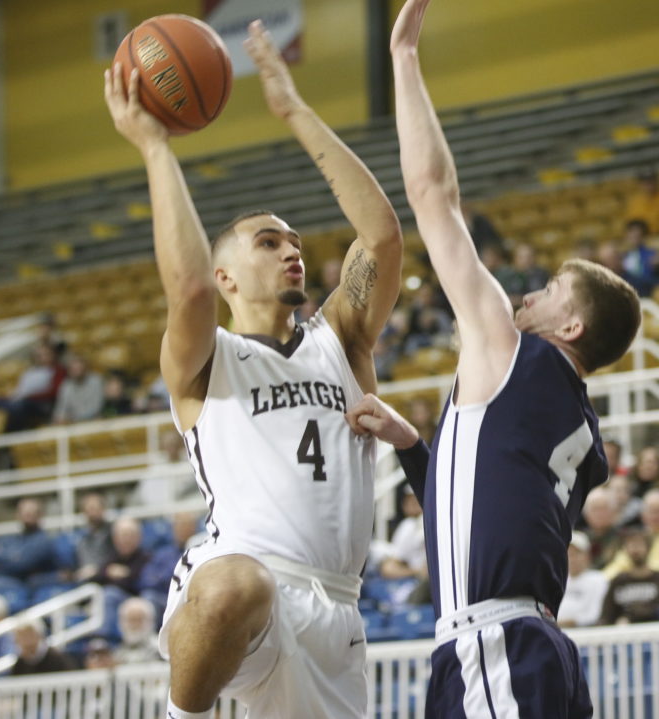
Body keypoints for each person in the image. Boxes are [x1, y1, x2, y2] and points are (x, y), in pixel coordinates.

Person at [104, 15, 403, 719]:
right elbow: (188, 290)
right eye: (268, 242)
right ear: (227, 277)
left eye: (294, 241)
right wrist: (154, 146)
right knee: (237, 583)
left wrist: (293, 108)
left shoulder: (342, 341)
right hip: (241, 580)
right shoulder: (209, 359)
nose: (291, 250)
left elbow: (383, 237)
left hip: (336, 609)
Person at [347, 3, 641, 715]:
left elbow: (434, 197)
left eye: (550, 290)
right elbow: (489, 504)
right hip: (519, 645)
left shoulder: (518, 357)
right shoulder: (564, 414)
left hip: (496, 645)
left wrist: (403, 58)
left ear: (571, 325)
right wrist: (415, 447)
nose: (527, 295)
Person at [602, 489, 659, 577]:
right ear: (643, 515)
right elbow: (620, 563)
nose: (656, 516)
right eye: (652, 511)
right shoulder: (638, 535)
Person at [599, 530, 659, 625]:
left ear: (649, 547)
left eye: (639, 544)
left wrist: (630, 618)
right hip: (622, 632)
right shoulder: (618, 581)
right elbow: (606, 615)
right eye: (630, 545)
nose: (635, 550)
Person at [557, 532, 609, 628]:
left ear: (587, 556)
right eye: (569, 554)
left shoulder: (598, 579)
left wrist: (567, 623)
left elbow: (595, 615)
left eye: (576, 554)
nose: (572, 559)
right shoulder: (558, 580)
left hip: (586, 631)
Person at [96, 517, 150, 596]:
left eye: (130, 535)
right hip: (108, 595)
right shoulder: (111, 557)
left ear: (139, 537)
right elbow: (97, 577)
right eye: (123, 535)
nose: (126, 540)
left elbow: (140, 583)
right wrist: (108, 572)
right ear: (115, 538)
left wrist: (127, 574)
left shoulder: (146, 558)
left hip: (135, 599)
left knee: (110, 594)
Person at [52, 354, 104, 424]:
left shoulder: (96, 380)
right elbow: (61, 409)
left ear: (85, 368)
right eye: (73, 369)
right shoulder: (66, 385)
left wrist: (75, 419)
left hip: (94, 421)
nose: (76, 372)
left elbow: (97, 407)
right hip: (73, 423)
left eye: (79, 368)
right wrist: (60, 417)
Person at [74, 492, 114, 583]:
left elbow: (116, 561)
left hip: (106, 579)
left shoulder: (113, 532)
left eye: (95, 508)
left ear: (103, 509)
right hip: (84, 581)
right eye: (89, 509)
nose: (92, 513)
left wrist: (97, 570)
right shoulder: (80, 537)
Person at [626, 168, 659, 235]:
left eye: (651, 181)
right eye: (645, 182)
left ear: (657, 181)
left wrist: (652, 229)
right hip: (641, 236)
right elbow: (632, 222)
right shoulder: (635, 201)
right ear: (640, 184)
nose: (648, 184)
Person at [11, 620, 76, 675]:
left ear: (38, 635)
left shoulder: (57, 659)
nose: (24, 641)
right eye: (20, 638)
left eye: (27, 635)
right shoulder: (20, 664)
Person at [581, 487, 623, 570]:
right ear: (586, 515)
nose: (599, 514)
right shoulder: (580, 538)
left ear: (614, 512)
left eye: (603, 509)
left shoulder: (623, 538)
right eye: (595, 509)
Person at [114, 597, 162, 664]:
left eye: (139, 620)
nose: (135, 625)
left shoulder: (160, 649)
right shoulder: (118, 651)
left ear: (150, 622)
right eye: (131, 620)